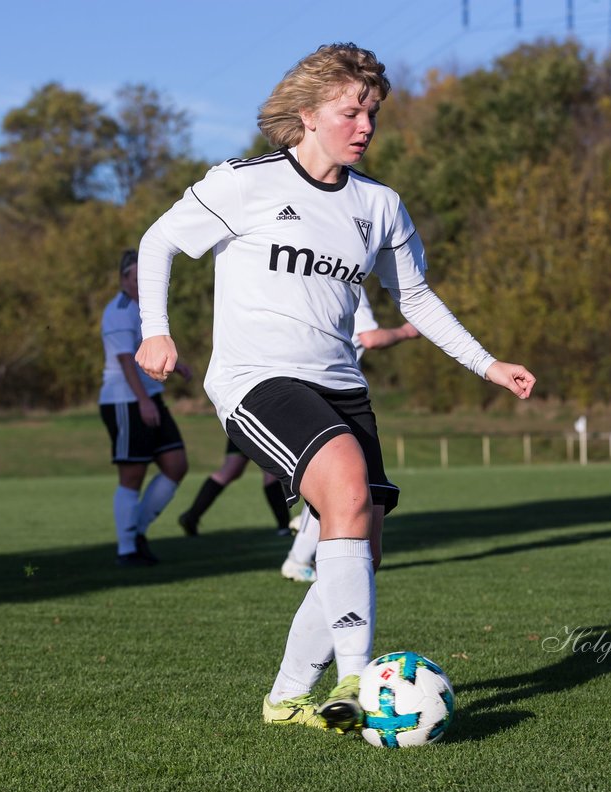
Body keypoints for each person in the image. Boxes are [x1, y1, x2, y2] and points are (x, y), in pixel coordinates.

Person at [134, 43, 534, 735]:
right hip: (255, 379)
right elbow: (158, 242)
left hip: (342, 386)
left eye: (373, 112)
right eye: (352, 111)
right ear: (309, 112)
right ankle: (359, 678)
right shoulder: (244, 182)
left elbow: (416, 299)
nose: (366, 126)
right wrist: (155, 329)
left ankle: (288, 697)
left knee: (362, 542)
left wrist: (488, 364)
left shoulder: (380, 205)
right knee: (346, 492)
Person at [179, 287, 418, 544]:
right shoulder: (343, 280)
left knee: (261, 472)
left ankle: (284, 532)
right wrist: (406, 331)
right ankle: (294, 546)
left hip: (299, 392)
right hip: (284, 394)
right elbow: (370, 337)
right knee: (331, 482)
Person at [278, 288, 419, 582]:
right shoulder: (348, 275)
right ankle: (299, 558)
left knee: (336, 485)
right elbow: (369, 337)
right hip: (330, 389)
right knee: (341, 485)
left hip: (306, 387)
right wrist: (407, 331)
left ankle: (306, 555)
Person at [99, 249, 190, 567]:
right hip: (126, 401)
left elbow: (145, 349)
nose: (140, 284)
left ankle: (136, 532)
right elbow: (125, 360)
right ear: (124, 278)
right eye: (135, 278)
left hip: (148, 397)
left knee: (176, 464)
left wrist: (177, 368)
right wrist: (143, 401)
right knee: (133, 474)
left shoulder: (143, 310)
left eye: (144, 278)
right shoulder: (119, 310)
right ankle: (127, 550)